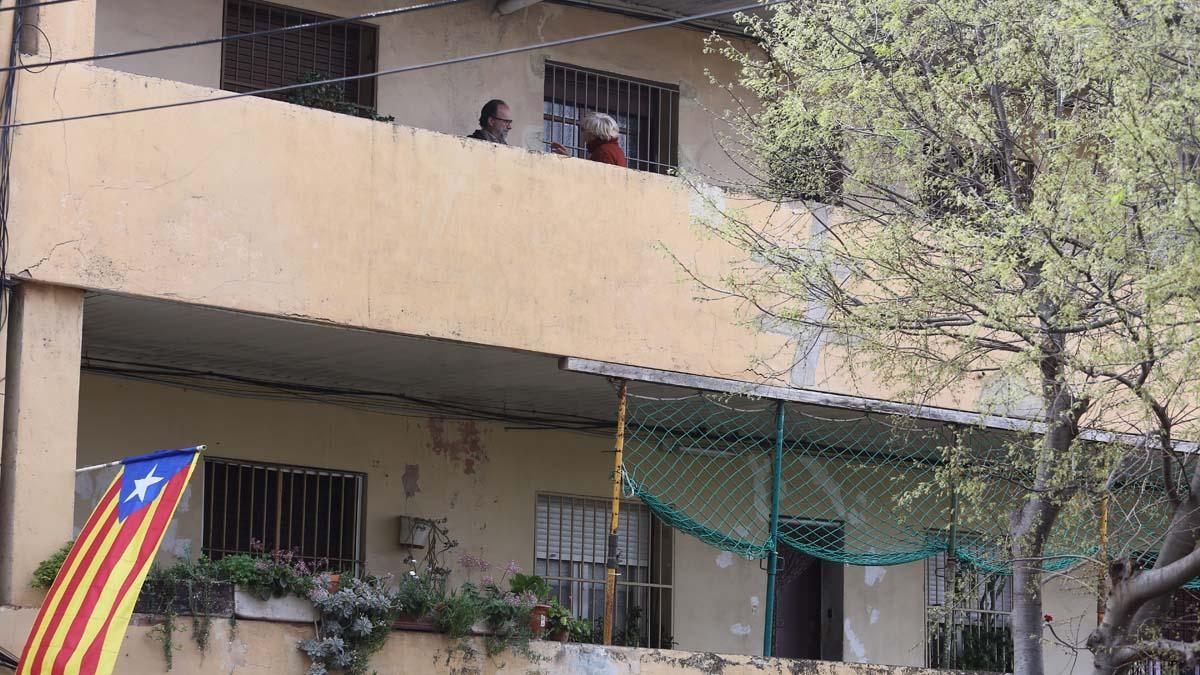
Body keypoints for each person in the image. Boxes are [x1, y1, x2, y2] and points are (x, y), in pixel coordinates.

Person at [549, 112, 628, 167]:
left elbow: (593, 180)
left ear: (593, 133)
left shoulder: (603, 152)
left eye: (584, 130)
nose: (582, 134)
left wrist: (570, 162)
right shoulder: (614, 150)